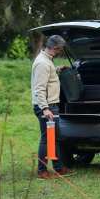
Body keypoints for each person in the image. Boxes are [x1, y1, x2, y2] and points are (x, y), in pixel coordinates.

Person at [31, 35, 73, 179]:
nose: (61, 51)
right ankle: (42, 171)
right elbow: (39, 88)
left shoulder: (46, 61)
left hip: (50, 105)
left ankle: (58, 168)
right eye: (61, 48)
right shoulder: (42, 63)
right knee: (46, 139)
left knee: (53, 138)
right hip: (47, 107)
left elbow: (48, 75)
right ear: (56, 47)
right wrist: (45, 108)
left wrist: (58, 69)